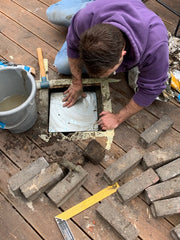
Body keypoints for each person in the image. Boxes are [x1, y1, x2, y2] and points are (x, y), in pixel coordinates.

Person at [46, 0, 169, 130]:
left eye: (108, 72)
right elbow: (72, 45)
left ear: (123, 54)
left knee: (62, 64)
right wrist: (76, 82)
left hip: (133, 16)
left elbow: (150, 90)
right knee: (51, 14)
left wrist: (118, 118)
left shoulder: (155, 46)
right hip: (99, 6)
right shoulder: (85, 18)